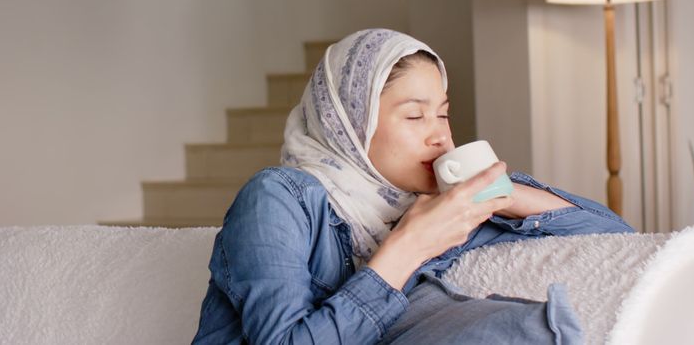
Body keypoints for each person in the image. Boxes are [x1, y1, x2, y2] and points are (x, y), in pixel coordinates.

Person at [191, 29, 632, 344]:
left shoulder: (432, 209)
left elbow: (619, 238)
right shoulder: (279, 200)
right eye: (415, 116)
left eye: (442, 113)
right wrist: (409, 246)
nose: (440, 135)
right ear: (349, 125)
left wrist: (504, 194)